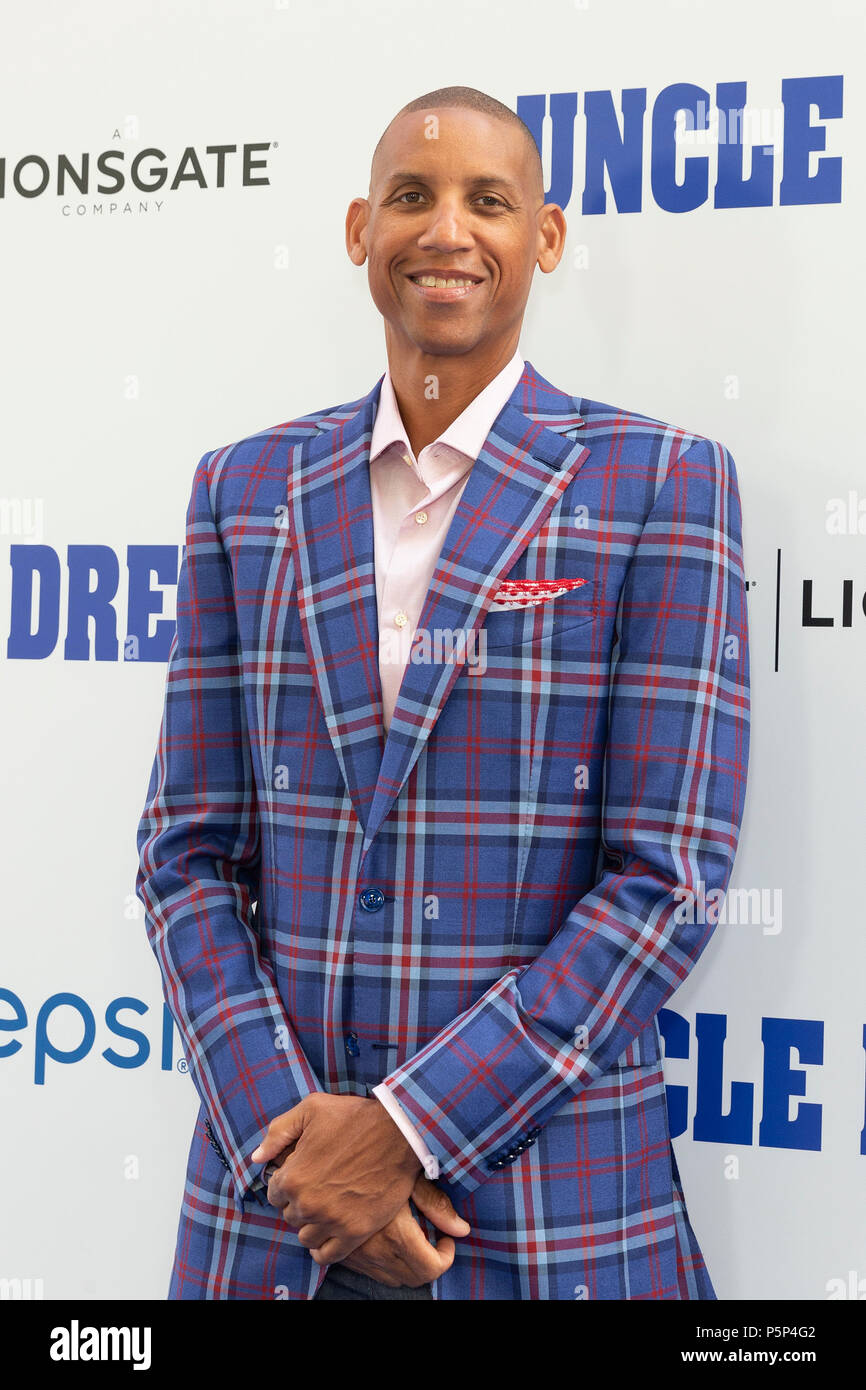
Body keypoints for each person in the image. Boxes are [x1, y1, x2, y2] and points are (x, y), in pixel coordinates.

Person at [136, 85, 750, 1301]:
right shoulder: (242, 488)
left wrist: (405, 1131)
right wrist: (301, 1153)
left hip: (544, 1212)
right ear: (360, 228)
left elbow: (663, 876)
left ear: (548, 238)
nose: (445, 231)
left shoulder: (658, 482)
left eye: (489, 200)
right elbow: (185, 851)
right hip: (275, 1220)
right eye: (411, 198)